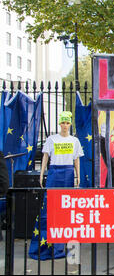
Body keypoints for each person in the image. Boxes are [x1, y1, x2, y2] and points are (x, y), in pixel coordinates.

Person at [29, 111, 84, 260]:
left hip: (67, 173)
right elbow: (45, 156)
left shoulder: (75, 141)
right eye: (63, 122)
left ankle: (62, 245)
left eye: (67, 123)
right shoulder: (51, 139)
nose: (65, 125)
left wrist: (78, 176)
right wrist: (41, 174)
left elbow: (77, 160)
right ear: (59, 123)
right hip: (54, 172)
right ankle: (47, 243)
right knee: (50, 207)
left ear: (70, 124)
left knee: (66, 209)